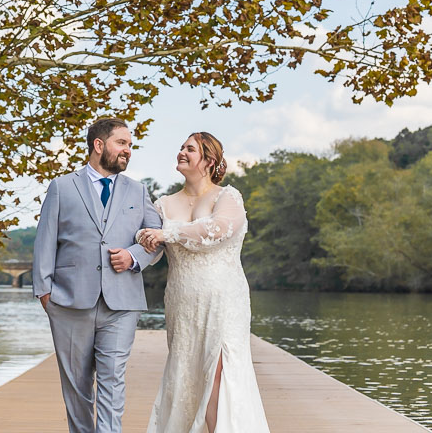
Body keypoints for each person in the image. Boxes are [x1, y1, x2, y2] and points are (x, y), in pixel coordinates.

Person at [33, 118, 164, 433]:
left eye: (130, 145)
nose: (127, 151)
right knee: (77, 387)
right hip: (68, 301)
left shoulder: (138, 189)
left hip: (121, 302)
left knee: (112, 379)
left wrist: (134, 255)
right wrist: (44, 293)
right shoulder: (62, 186)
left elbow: (157, 239)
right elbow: (45, 240)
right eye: (122, 143)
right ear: (99, 145)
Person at [136, 132, 270, 433]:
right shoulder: (163, 204)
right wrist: (140, 239)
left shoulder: (227, 197)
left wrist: (167, 233)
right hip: (182, 302)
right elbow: (150, 245)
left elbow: (219, 229)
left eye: (190, 149)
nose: (181, 152)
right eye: (181, 147)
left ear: (209, 161)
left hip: (224, 300)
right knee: (188, 374)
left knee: (219, 371)